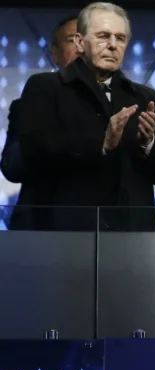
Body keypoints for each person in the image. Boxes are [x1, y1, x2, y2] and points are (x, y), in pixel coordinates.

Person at [17, 2, 155, 232]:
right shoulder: (46, 88)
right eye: (103, 36)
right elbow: (34, 151)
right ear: (80, 42)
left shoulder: (145, 97)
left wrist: (150, 143)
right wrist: (102, 143)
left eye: (120, 38)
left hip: (134, 235)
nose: (112, 45)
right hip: (67, 233)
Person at [2, 15, 79, 230]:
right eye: (72, 40)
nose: (81, 48)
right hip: (41, 227)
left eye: (86, 41)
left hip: (102, 230)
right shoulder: (30, 103)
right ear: (55, 53)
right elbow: (11, 167)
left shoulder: (119, 105)